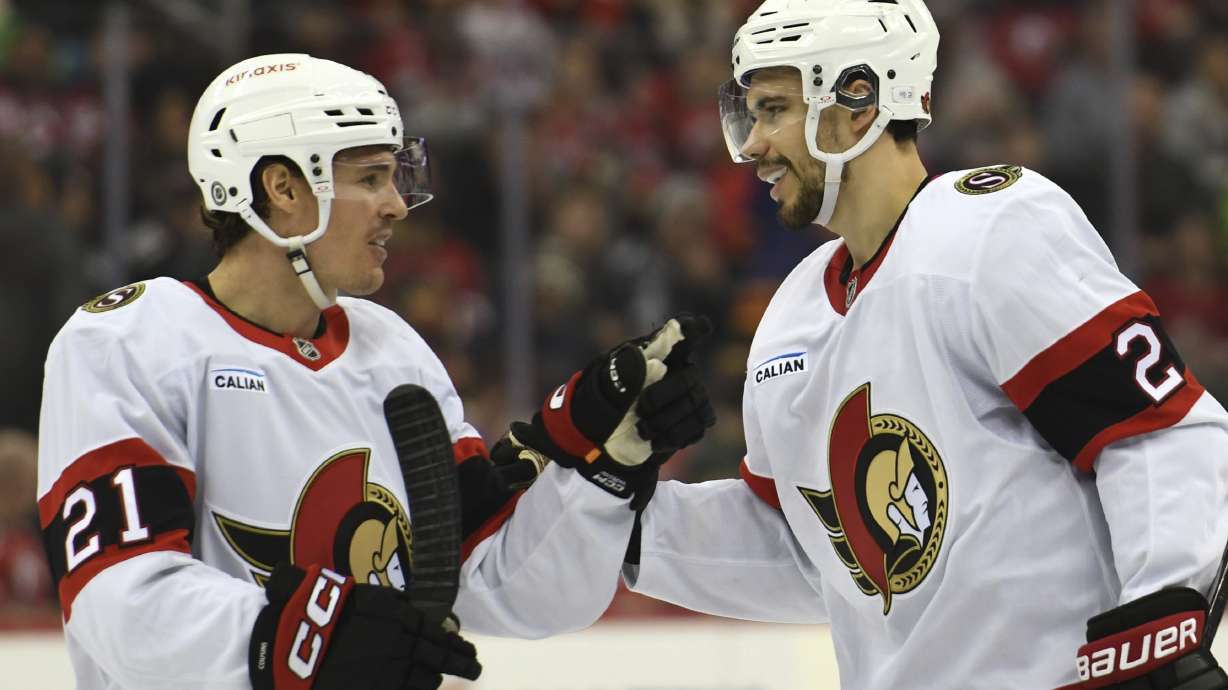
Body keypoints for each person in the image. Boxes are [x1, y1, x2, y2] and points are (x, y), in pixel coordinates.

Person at [36, 53, 713, 690]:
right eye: (369, 179)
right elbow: (118, 600)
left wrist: (602, 469)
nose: (396, 204)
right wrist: (305, 638)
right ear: (282, 188)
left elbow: (501, 587)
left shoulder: (392, 351)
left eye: (394, 176)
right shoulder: (127, 343)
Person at [613, 1, 1228, 688]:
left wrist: (1160, 629)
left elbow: (1157, 429)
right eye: (750, 115)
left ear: (858, 102)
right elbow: (806, 546)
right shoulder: (791, 315)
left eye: (775, 110)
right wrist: (618, 514)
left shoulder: (991, 229)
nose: (753, 144)